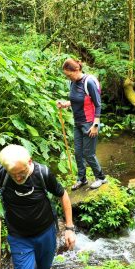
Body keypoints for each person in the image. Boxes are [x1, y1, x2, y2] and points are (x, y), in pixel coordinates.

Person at [56, 58, 107, 190]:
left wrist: (96, 125)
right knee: (78, 153)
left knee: (88, 153)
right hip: (77, 123)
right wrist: (65, 104)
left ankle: (101, 178)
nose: (68, 77)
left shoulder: (88, 82)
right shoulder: (72, 83)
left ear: (77, 69)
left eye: (69, 74)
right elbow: (77, 99)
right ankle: (82, 179)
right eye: (66, 75)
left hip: (89, 123)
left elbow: (98, 104)